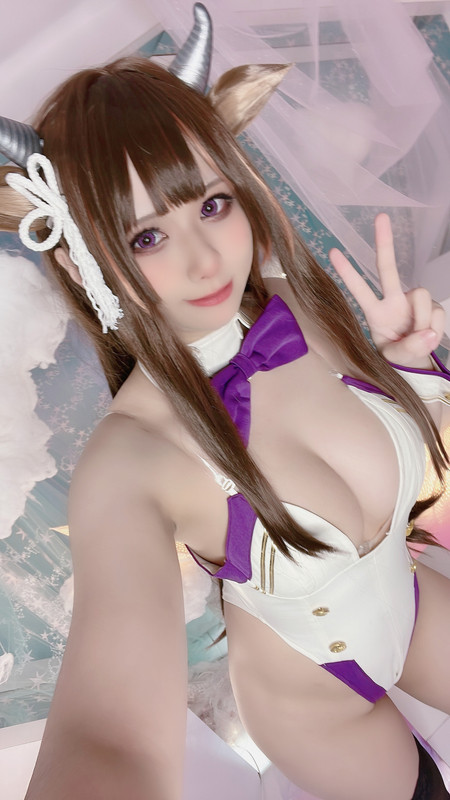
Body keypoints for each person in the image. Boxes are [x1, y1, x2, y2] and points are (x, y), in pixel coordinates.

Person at [1, 4, 450, 799]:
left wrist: (409, 367)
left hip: (412, 602)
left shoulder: (297, 306)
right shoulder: (129, 463)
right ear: (78, 262)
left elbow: (412, 466)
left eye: (211, 204)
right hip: (321, 707)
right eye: (146, 237)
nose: (207, 260)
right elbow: (109, 738)